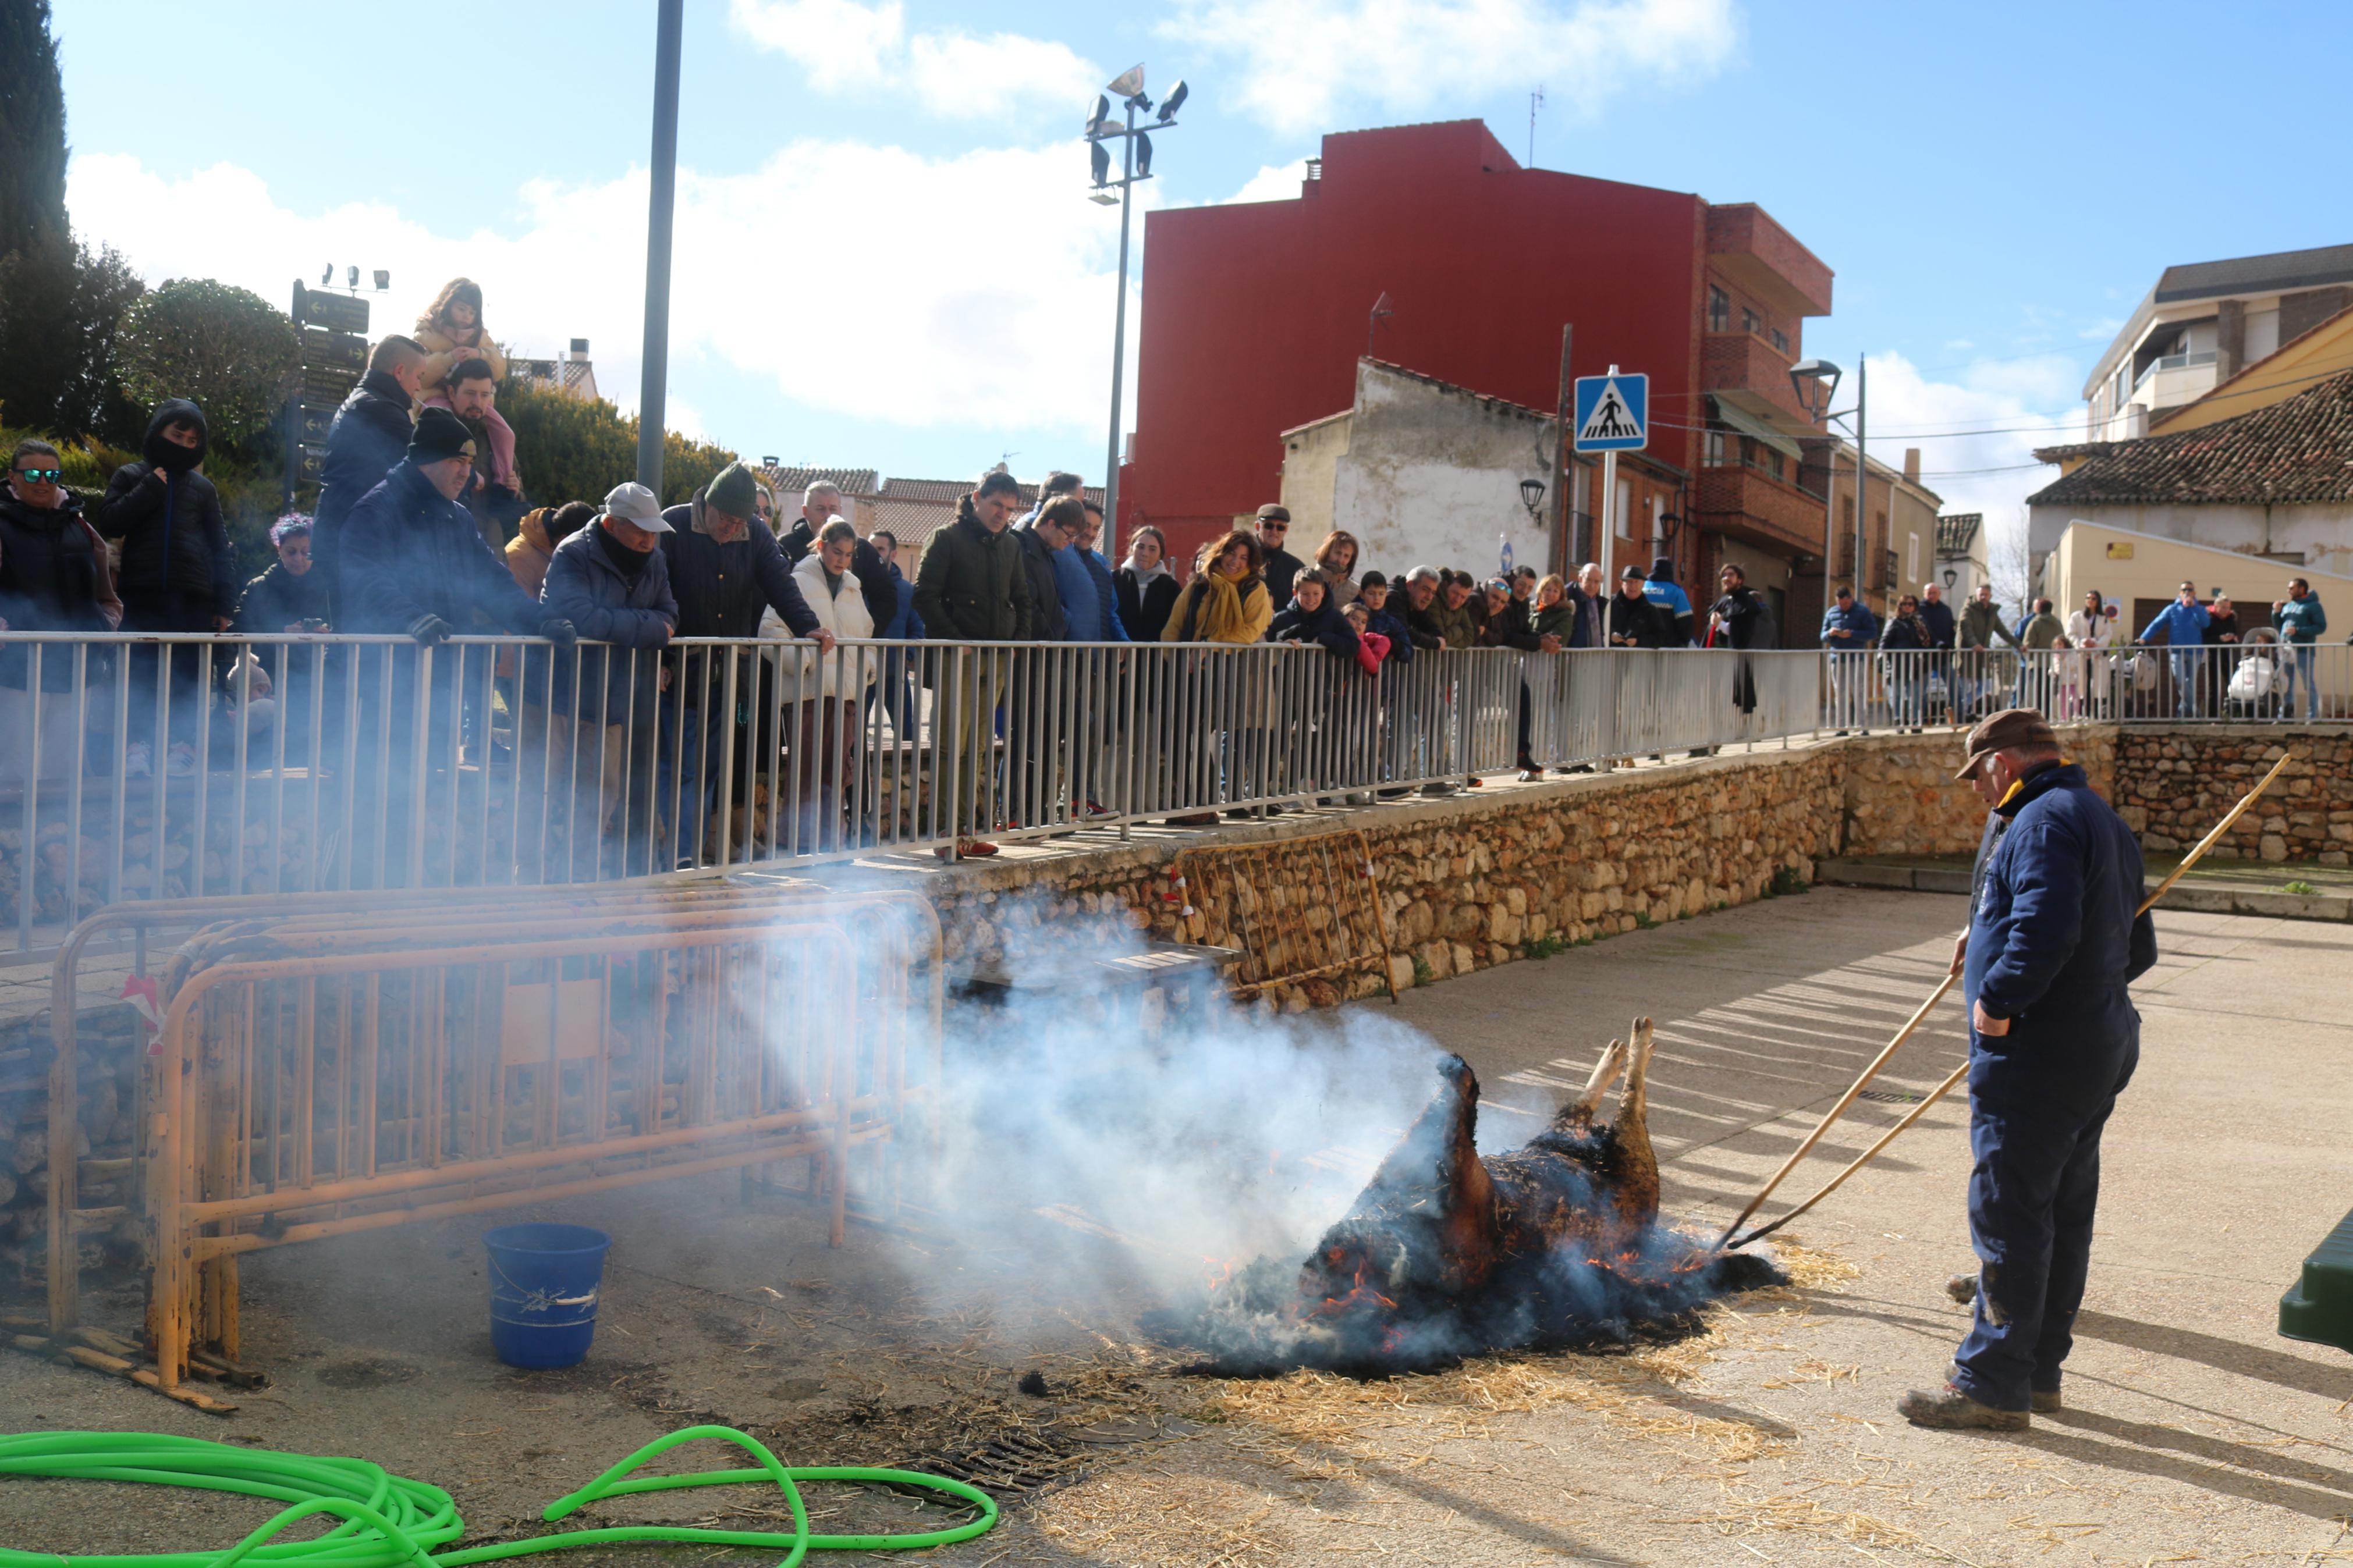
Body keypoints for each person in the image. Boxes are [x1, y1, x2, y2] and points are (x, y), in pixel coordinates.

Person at [1898, 708, 2155, 1431]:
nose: (1975, 790)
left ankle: (1989, 1382)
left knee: (2009, 1211)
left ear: (2002, 765)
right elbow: (2137, 946)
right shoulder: (2094, 814)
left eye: (1976, 775)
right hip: (2094, 1042)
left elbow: (2046, 925)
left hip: (2037, 1053)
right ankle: (2038, 1371)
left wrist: (2000, 1001)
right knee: (2060, 1212)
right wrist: (1982, 929)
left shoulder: (2039, 822)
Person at [338, 408, 577, 883]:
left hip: (441, 677)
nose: (468, 473)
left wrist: (540, 620)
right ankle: (361, 890)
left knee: (428, 786)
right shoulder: (377, 508)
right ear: (426, 460)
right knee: (381, 786)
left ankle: (413, 890)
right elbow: (364, 576)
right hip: (385, 677)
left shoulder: (456, 516)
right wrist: (409, 618)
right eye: (457, 462)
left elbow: (492, 582)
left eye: (471, 464)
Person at [660, 460, 831, 865]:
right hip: (676, 669)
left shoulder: (754, 533)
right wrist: (659, 656)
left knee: (703, 770)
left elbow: (779, 581)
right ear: (708, 505)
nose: (731, 527)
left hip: (725, 674)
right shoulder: (674, 526)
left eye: (740, 521)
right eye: (725, 519)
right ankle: (669, 853)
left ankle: (685, 853)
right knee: (678, 767)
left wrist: (809, 626)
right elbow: (655, 592)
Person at [93, 399, 239, 779]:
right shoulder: (130, 475)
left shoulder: (203, 489)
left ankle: (182, 747)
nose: (186, 444)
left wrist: (225, 603)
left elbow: (220, 547)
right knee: (139, 675)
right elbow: (109, 520)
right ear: (158, 431)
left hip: (193, 599)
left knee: (188, 678)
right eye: (178, 435)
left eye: (194, 439)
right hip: (140, 594)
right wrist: (149, 487)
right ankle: (137, 747)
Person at [540, 483, 677, 877]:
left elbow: (670, 614)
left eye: (653, 531)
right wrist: (647, 627)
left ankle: (579, 877)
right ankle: (532, 881)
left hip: (612, 698)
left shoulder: (655, 559)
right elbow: (582, 618)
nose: (648, 539)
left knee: (599, 795)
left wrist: (632, 626)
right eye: (640, 530)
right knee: (542, 790)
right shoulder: (573, 552)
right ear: (612, 523)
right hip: (557, 694)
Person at [913, 470, 1034, 856]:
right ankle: (946, 834)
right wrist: (955, 639)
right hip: (958, 657)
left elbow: (1022, 598)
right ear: (977, 497)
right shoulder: (946, 538)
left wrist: (1017, 642)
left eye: (1010, 509)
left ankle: (965, 832)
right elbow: (923, 595)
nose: (1002, 514)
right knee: (951, 745)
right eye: (997, 504)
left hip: (995, 658)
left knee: (979, 747)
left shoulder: (1011, 546)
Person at [0, 439, 118, 783]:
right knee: (14, 763)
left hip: (78, 662)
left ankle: (58, 833)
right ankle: (10, 834)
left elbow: (107, 594)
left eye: (51, 473)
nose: (43, 481)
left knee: (63, 767)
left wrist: (104, 627)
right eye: (33, 473)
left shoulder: (80, 526)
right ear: (12, 477)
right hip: (16, 665)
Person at [776, 517, 876, 852]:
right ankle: (798, 847)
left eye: (848, 555)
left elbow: (865, 634)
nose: (842, 560)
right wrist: (803, 663)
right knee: (805, 773)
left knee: (838, 773)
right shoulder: (797, 581)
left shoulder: (853, 587)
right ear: (821, 546)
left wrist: (868, 670)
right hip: (808, 693)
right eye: (837, 552)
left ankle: (833, 846)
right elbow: (771, 631)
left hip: (843, 695)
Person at [1162, 529, 1271, 824]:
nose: (1235, 562)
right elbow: (1174, 625)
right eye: (1231, 554)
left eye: (1243, 558)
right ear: (1220, 553)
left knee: (1208, 739)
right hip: (1189, 671)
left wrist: (1210, 646)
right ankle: (1189, 804)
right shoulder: (1199, 586)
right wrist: (1174, 658)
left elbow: (1249, 631)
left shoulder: (1253, 589)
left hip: (1230, 671)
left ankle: (1205, 805)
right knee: (1182, 738)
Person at [314, 335, 425, 613]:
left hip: (343, 534)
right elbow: (427, 456)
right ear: (399, 372)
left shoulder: (365, 401)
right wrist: (473, 476)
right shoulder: (379, 407)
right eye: (419, 376)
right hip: (354, 540)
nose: (419, 386)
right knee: (359, 640)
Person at [423, 357, 523, 550]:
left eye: (485, 395)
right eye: (470, 393)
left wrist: (515, 490)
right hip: (442, 547)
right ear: (451, 392)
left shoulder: (497, 440)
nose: (478, 402)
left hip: (488, 548)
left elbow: (516, 501)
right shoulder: (429, 435)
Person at [864, 528, 922, 739]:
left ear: (893, 554)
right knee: (854, 734)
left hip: (895, 673)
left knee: (907, 734)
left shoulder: (907, 591)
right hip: (863, 673)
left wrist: (906, 655)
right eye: (871, 548)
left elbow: (918, 629)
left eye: (880, 549)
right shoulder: (855, 585)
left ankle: (905, 773)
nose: (874, 553)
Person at [2135, 582, 2209, 720]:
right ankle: (2194, 711)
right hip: (2176, 652)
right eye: (2184, 590)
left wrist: (2194, 608)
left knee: (2191, 683)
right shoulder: (2172, 609)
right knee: (2181, 681)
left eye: (2190, 589)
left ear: (2194, 593)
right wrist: (2144, 638)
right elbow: (2157, 624)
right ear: (2180, 593)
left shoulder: (2199, 609)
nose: (2187, 592)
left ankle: (2182, 712)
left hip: (2195, 652)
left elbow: (2205, 623)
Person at [1708, 563, 1768, 729]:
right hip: (1718, 660)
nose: (1726, 578)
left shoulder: (1746, 603)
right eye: (1724, 576)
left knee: (1737, 699)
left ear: (1740, 580)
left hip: (1735, 659)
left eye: (1731, 575)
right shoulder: (1724, 601)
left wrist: (1719, 624)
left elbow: (1739, 634)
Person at [1818, 585, 1878, 734]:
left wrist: (1852, 634)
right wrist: (1831, 633)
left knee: (1859, 692)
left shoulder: (1863, 611)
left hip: (1856, 658)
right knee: (1840, 693)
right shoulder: (1832, 612)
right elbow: (1822, 636)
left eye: (1845, 603)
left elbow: (1872, 633)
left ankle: (1862, 726)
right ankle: (1842, 727)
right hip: (1837, 658)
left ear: (1851, 599)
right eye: (1840, 603)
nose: (1843, 606)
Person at [506, 502, 594, 602]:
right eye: (585, 545)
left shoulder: (560, 548)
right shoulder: (518, 558)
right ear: (564, 540)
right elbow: (520, 608)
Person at [1956, 584, 2020, 720]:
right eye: (1981, 594)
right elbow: (1966, 628)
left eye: (1986, 595)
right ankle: (1963, 713)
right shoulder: (1968, 609)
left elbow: (2003, 632)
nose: (1983, 597)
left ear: (1990, 596)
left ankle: (1961, 707)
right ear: (1976, 595)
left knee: (1987, 685)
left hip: (1982, 655)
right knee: (1967, 686)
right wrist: (1975, 644)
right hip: (1968, 655)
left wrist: (2019, 645)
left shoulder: (1991, 612)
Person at [2272, 577, 2327, 720]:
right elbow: (2280, 626)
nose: (2288, 591)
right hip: (2286, 649)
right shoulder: (2289, 606)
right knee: (2286, 683)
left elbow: (2321, 627)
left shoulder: (2314, 606)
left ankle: (2311, 716)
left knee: (2308, 683)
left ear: (2302, 589)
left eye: (2291, 588)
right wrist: (2276, 613)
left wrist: (2298, 631)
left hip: (2303, 650)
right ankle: (2285, 715)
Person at [1116, 524, 1181, 642]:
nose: (1145, 553)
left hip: (1156, 658)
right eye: (1141, 547)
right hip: (1119, 656)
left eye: (1152, 549)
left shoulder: (1171, 587)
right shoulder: (1116, 579)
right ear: (1131, 548)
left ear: (1160, 554)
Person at [1878, 592, 1933, 730]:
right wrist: (1881, 660)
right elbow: (1884, 643)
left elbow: (1928, 640)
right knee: (1896, 695)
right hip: (1897, 666)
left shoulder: (1919, 623)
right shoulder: (1894, 623)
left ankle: (1915, 721)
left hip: (1915, 666)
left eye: (1910, 604)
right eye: (1904, 604)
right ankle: (1898, 721)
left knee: (1914, 696)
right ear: (1900, 606)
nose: (1907, 607)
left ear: (1915, 606)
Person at [1255, 504, 1304, 610]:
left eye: (1280, 527)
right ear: (1258, 527)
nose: (1274, 531)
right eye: (1269, 526)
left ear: (1286, 530)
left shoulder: (1296, 568)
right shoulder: (1242, 560)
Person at [1921, 582, 1957, 723]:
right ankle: (1922, 718)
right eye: (1929, 593)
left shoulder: (1946, 610)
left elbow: (1951, 631)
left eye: (1934, 593)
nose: (1931, 596)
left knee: (1954, 688)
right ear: (1924, 594)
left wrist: (1951, 648)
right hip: (1924, 658)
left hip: (1944, 657)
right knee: (1923, 691)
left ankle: (1959, 717)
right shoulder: (1919, 609)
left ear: (1939, 594)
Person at [1643, 556, 1694, 646]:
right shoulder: (1676, 592)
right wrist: (1685, 641)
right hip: (1668, 648)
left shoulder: (1642, 588)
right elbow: (1686, 623)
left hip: (1642, 646)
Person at [1399, 566, 1446, 651]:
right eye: (1425, 590)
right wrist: (1436, 643)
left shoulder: (1417, 603)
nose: (1429, 597)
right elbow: (1403, 632)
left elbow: (1436, 632)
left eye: (1433, 592)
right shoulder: (1393, 597)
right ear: (1410, 586)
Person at [1313, 530, 1362, 609]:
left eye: (1346, 556)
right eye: (1338, 553)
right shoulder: (1307, 579)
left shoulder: (1355, 592)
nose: (1340, 560)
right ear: (1327, 552)